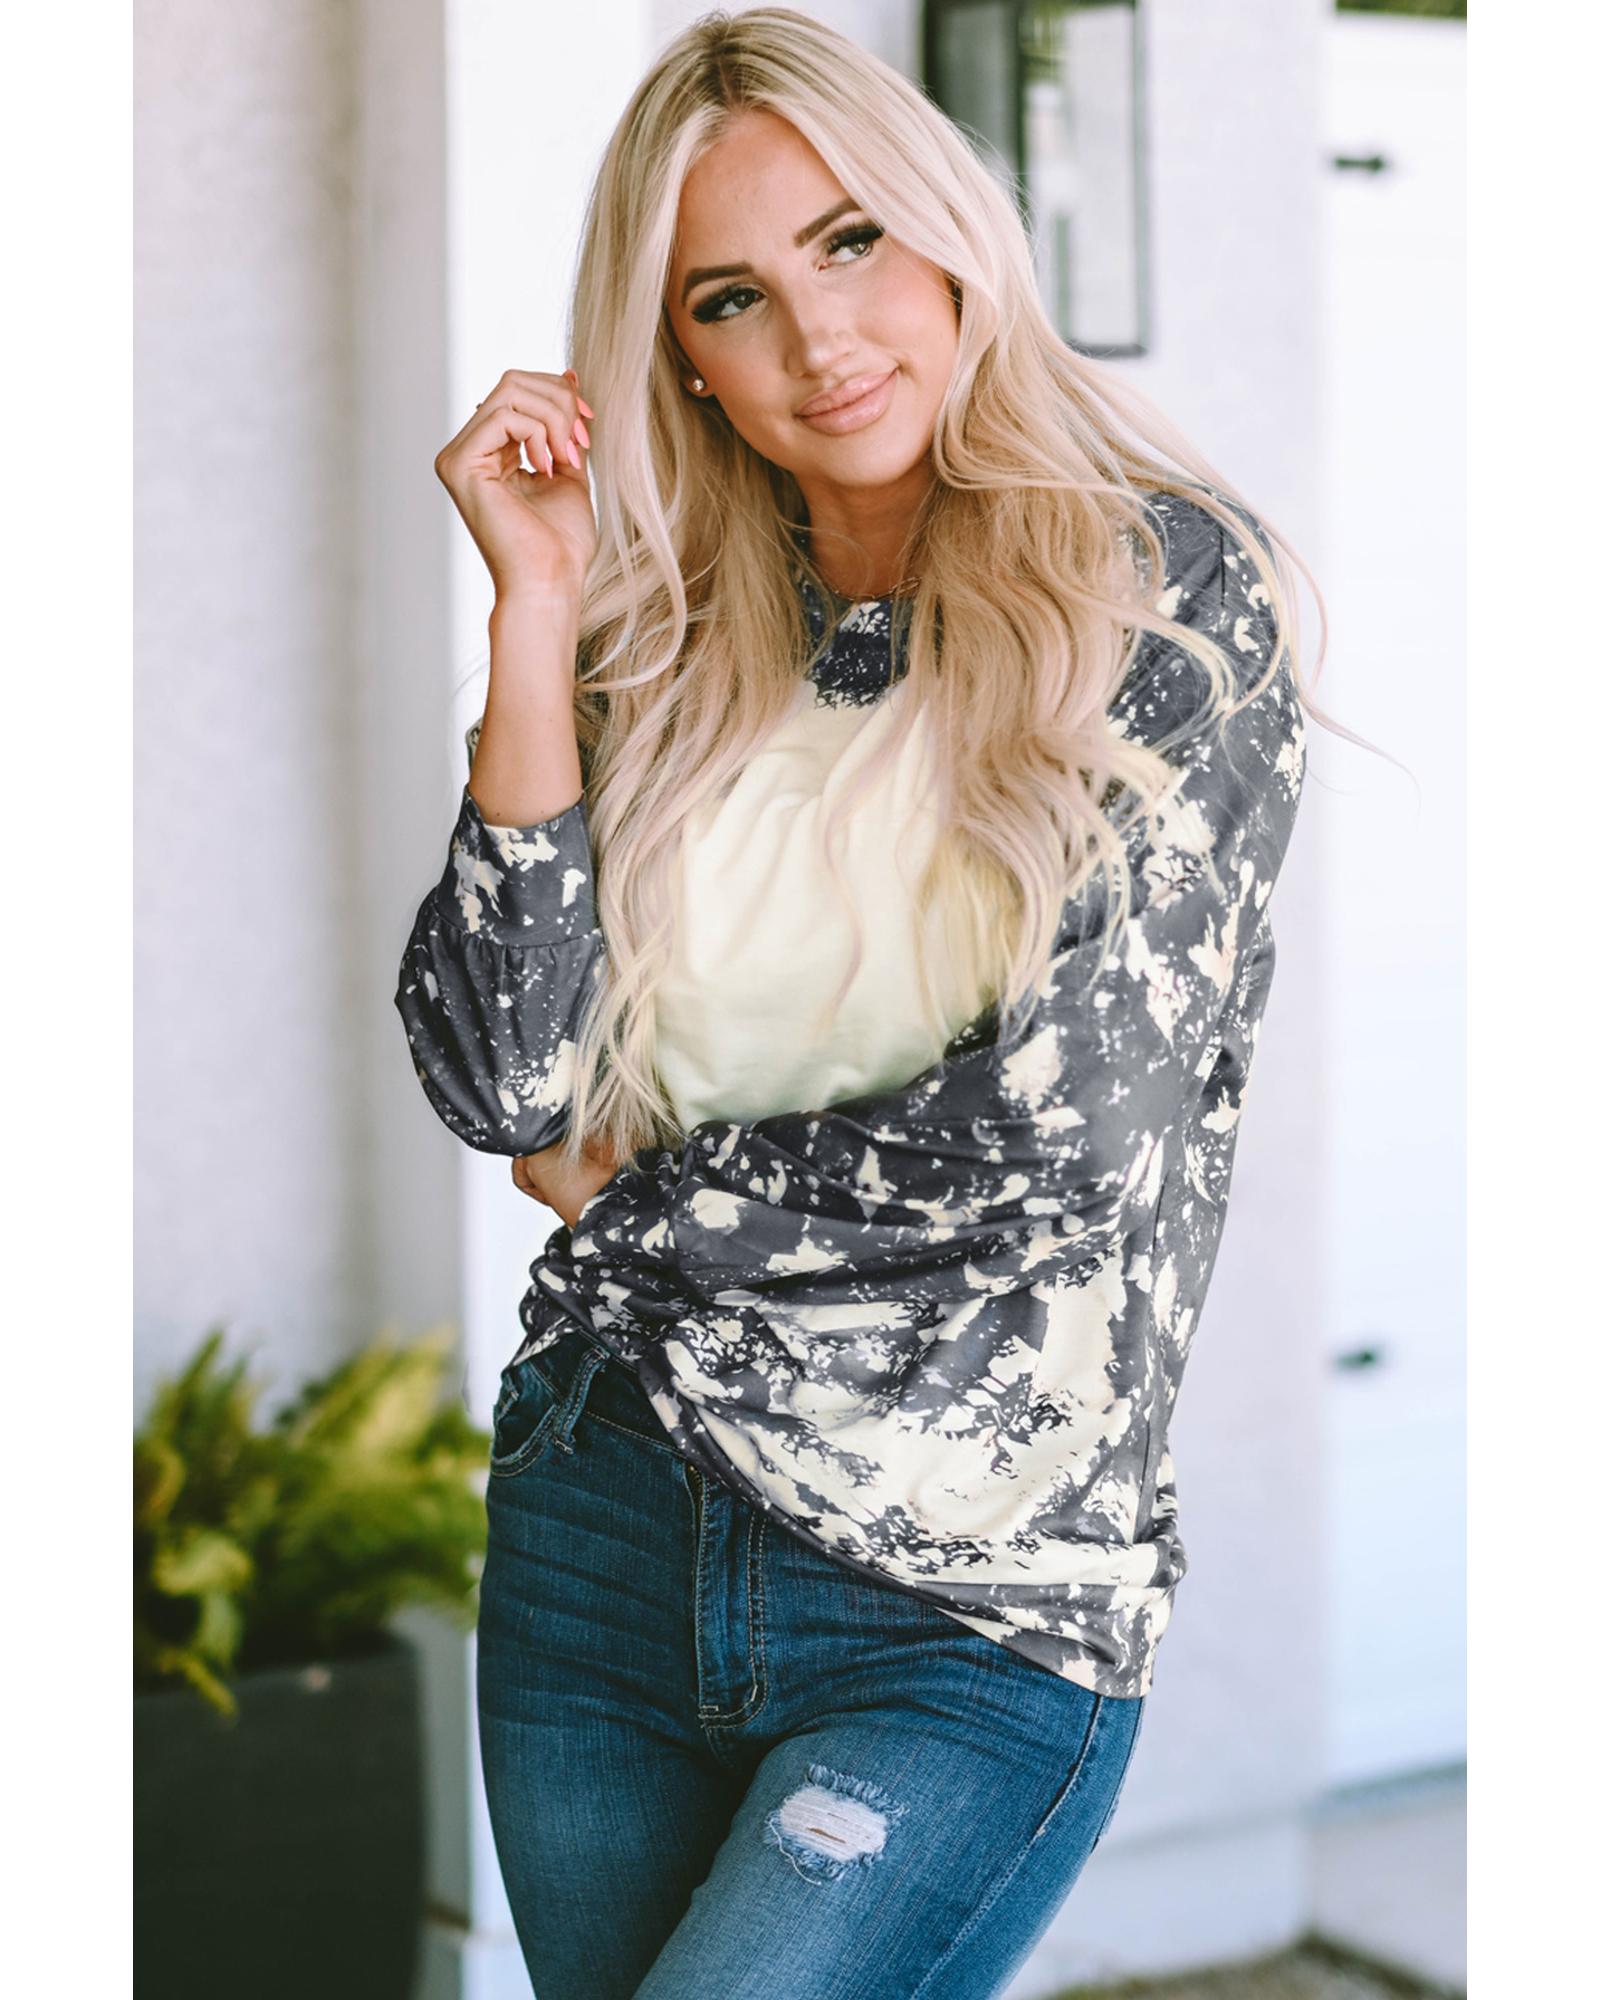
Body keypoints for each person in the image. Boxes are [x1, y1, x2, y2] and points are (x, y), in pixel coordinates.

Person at [393, 11, 1340, 1996]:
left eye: (850, 243)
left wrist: (634, 1200)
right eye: (730, 296)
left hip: (962, 1589)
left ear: (953, 237)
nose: (818, 336)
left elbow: (1060, 1139)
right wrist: (535, 613)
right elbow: (503, 1076)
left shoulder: (1161, 596)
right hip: (605, 1522)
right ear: (681, 358)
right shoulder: (661, 640)